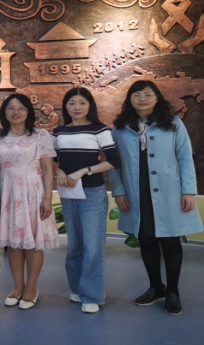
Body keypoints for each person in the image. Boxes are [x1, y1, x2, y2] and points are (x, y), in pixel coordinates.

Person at [110, 80, 203, 316]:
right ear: (129, 99)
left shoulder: (173, 123)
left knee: (170, 241)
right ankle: (156, 287)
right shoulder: (120, 128)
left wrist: (188, 191)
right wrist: (119, 191)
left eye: (148, 94)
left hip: (169, 191)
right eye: (137, 95)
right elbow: (114, 163)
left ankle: (173, 292)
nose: (142, 99)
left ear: (157, 97)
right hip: (136, 191)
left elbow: (185, 157)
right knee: (146, 240)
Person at [52, 88, 120, 314]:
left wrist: (84, 171)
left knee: (92, 245)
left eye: (82, 102)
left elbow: (113, 160)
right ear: (66, 106)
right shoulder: (59, 132)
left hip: (92, 192)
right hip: (68, 193)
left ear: (90, 105)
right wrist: (59, 170)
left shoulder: (100, 129)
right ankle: (77, 288)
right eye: (72, 102)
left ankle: (92, 295)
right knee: (74, 244)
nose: (77, 107)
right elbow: (50, 158)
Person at [0, 94, 58, 310]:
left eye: (21, 108)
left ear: (28, 112)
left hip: (33, 192)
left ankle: (31, 288)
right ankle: (17, 287)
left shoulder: (40, 135)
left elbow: (47, 169)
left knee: (33, 241)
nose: (16, 112)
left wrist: (48, 197)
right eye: (10, 108)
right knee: (13, 242)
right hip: (7, 192)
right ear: (4, 112)